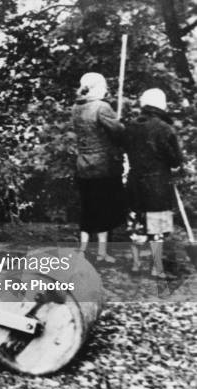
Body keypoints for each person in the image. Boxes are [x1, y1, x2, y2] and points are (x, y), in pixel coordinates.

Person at [123, 89, 183, 278]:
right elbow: (175, 160)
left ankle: (135, 265)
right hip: (157, 185)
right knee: (156, 229)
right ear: (161, 105)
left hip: (135, 182)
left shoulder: (130, 126)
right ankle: (156, 268)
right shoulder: (165, 129)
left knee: (137, 225)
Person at [71, 73, 126, 263]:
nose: (106, 90)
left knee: (88, 207)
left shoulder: (76, 107)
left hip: (83, 165)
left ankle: (82, 250)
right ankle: (102, 253)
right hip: (103, 167)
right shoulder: (102, 107)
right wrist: (119, 124)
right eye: (103, 86)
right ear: (96, 88)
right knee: (104, 207)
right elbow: (119, 133)